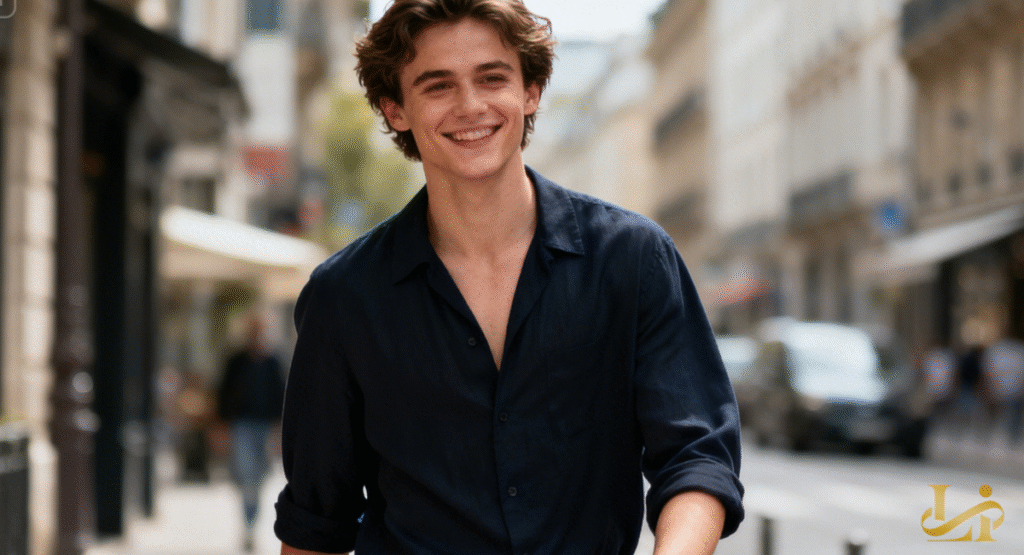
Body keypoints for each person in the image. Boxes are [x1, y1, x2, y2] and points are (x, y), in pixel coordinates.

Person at [274, 1, 744, 554]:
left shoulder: (632, 260)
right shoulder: (344, 299)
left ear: (531, 91)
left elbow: (697, 457)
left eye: (492, 78)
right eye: (437, 86)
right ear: (395, 108)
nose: (470, 107)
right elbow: (315, 524)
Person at [217, 312, 286, 551]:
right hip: (242, 426)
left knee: (259, 477)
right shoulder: (236, 361)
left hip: (266, 428)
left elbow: (282, 399)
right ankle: (249, 524)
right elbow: (223, 396)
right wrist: (221, 429)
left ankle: (251, 520)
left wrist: (278, 432)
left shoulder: (274, 362)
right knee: (246, 476)